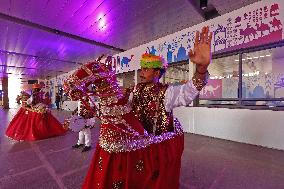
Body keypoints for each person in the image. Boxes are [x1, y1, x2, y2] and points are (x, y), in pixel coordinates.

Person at [64, 26, 212, 189]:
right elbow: (117, 106)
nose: (142, 71)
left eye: (146, 69)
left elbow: (188, 92)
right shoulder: (135, 89)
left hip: (153, 146)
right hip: (135, 141)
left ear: (157, 73)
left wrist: (201, 69)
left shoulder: (166, 93)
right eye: (142, 68)